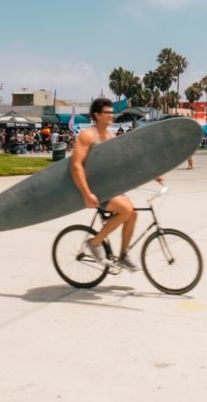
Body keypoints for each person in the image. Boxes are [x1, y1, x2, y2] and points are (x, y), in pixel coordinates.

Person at [70, 98, 163, 273]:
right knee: (126, 211)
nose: (112, 115)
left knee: (133, 214)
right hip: (97, 189)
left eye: (113, 112)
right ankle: (94, 242)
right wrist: (86, 193)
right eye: (108, 112)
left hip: (111, 187)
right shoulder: (87, 135)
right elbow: (76, 166)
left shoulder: (111, 137)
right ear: (97, 115)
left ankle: (123, 256)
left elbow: (126, 162)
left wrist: (152, 174)